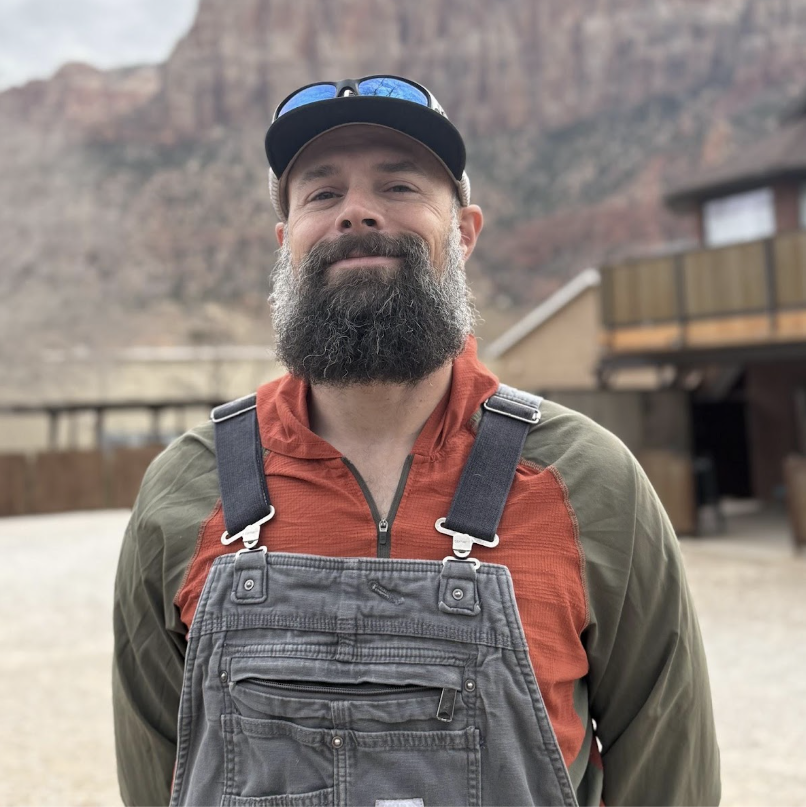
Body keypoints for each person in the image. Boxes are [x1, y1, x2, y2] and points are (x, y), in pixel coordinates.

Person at [113, 75, 720, 807]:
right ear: (287, 243)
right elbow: (156, 773)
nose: (357, 213)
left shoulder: (589, 481)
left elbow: (670, 775)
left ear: (463, 232)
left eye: (399, 187)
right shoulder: (188, 486)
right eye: (322, 194)